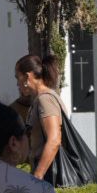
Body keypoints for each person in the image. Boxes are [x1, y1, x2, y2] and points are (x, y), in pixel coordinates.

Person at [15, 54, 67, 182]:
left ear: (27, 77)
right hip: (47, 173)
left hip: (50, 175)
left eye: (18, 78)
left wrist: (38, 175)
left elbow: (54, 140)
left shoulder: (45, 99)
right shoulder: (40, 99)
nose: (17, 84)